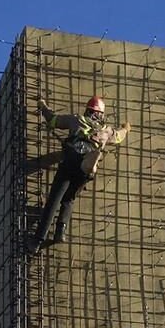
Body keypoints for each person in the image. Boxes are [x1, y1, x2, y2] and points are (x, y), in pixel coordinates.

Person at [27, 96, 130, 254]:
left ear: (88, 110)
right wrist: (126, 128)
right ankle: (60, 231)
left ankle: (37, 241)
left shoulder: (77, 119)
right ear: (100, 114)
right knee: (69, 198)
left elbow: (53, 120)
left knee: (54, 200)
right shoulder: (107, 131)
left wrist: (43, 106)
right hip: (85, 171)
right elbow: (119, 136)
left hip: (71, 161)